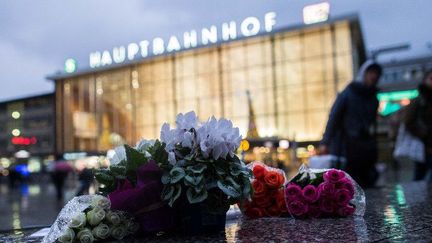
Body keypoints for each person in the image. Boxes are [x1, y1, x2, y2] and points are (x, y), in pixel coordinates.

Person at [319, 60, 382, 188]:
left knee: (366, 183)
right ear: (364, 73)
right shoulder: (348, 93)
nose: (374, 76)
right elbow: (334, 117)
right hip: (346, 145)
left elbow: (371, 123)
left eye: (376, 73)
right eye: (371, 72)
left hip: (365, 145)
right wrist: (325, 142)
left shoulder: (373, 98)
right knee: (348, 183)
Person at [402, 70, 432, 181]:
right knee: (420, 176)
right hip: (423, 146)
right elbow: (408, 121)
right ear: (425, 81)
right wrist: (424, 134)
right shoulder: (419, 100)